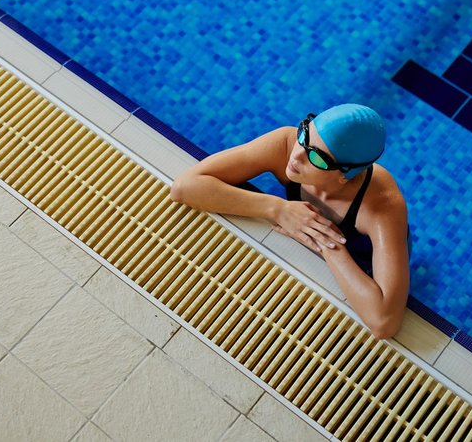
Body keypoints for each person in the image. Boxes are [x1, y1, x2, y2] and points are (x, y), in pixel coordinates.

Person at [170, 103, 410, 339]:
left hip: (363, 256)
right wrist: (277, 209)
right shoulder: (285, 144)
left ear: (344, 176)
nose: (297, 155)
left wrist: (324, 240)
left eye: (317, 157)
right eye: (305, 133)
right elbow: (184, 187)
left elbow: (384, 322)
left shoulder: (382, 207)